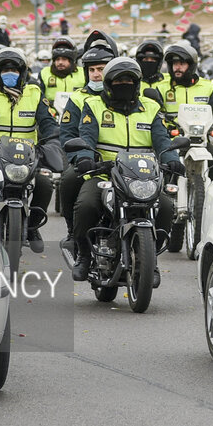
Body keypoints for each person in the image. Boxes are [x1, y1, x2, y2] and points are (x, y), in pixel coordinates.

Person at [66, 57, 177, 281]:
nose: (124, 85)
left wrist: (172, 158)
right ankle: (85, 256)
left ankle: (151, 259)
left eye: (129, 80)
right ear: (108, 83)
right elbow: (86, 137)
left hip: (142, 176)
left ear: (136, 84)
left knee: (165, 206)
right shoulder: (94, 106)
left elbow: (162, 141)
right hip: (104, 173)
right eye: (118, 81)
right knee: (86, 204)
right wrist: (85, 158)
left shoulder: (151, 108)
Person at [0, 47, 59, 253]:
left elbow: (48, 123)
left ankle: (33, 226)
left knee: (45, 184)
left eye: (14, 70)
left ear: (23, 73)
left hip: (27, 157)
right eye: (4, 70)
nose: (10, 74)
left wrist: (52, 141)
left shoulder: (35, 94)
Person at [56, 31, 117, 249]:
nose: (96, 75)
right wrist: (80, 158)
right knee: (68, 181)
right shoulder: (77, 97)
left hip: (122, 163)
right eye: (91, 70)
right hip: (87, 161)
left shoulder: (125, 95)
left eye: (101, 69)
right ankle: (74, 232)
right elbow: (67, 133)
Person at [155, 40, 213, 179]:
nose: (177, 67)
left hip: (200, 141)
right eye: (174, 64)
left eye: (182, 63)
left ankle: (210, 197)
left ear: (191, 65)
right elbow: (153, 111)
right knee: (162, 168)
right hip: (173, 140)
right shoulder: (162, 88)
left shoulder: (207, 87)